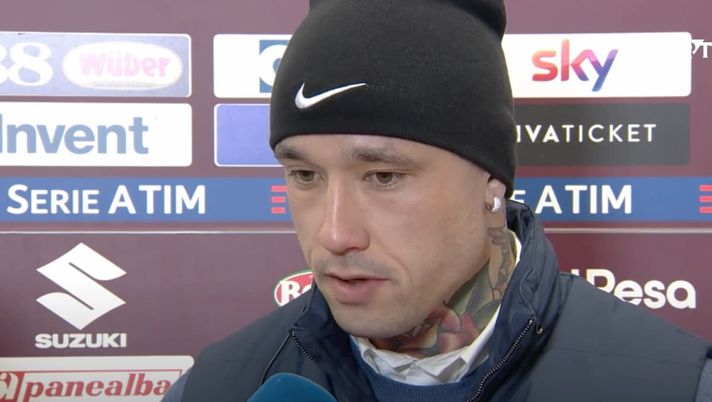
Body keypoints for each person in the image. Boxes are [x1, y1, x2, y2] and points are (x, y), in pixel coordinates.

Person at [163, 0, 712, 400]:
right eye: (305, 174)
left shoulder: (674, 386)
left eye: (383, 176)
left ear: (491, 182)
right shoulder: (218, 387)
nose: (334, 234)